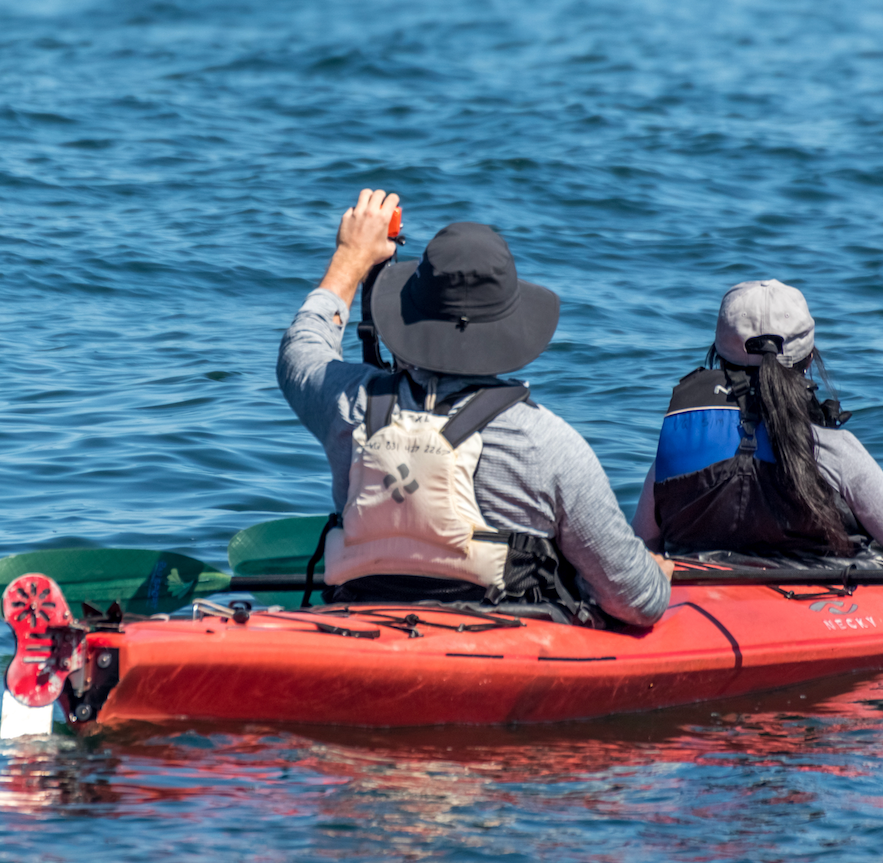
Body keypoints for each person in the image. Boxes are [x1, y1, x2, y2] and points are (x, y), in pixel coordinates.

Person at [278, 189, 671, 627]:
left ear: (408, 316)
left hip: (361, 627)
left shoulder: (346, 403)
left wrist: (351, 258)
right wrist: (654, 575)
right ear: (508, 328)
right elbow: (637, 603)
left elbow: (301, 350)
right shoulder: (548, 444)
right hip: (500, 649)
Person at [632, 280, 883, 565]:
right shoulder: (832, 450)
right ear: (807, 359)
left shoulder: (677, 447)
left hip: (701, 604)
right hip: (821, 607)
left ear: (717, 354)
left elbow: (641, 549)